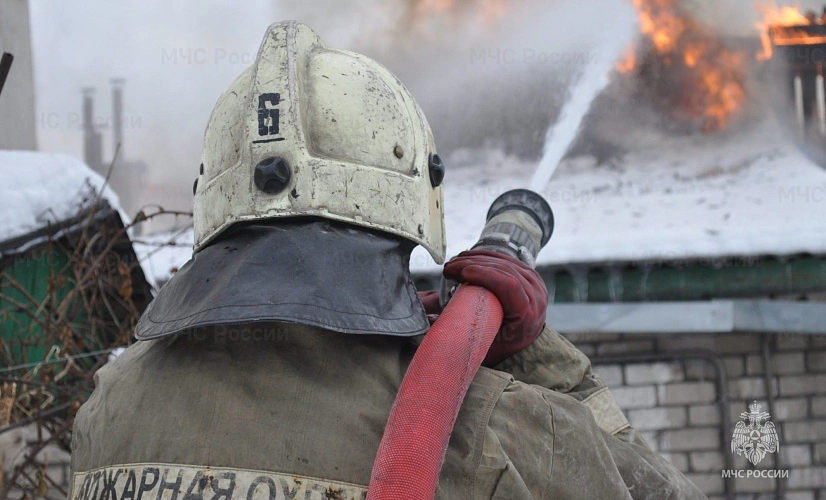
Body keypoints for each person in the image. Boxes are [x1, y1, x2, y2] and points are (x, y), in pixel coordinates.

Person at [69, 21, 705, 499]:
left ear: (214, 203)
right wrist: (536, 357)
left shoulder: (110, 406)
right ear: (407, 210)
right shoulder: (485, 429)